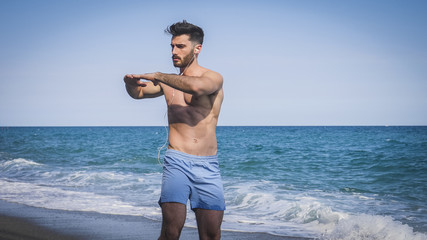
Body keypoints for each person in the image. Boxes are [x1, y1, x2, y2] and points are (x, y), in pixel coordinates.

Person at [123, 20, 225, 240]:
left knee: (211, 236)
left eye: (180, 46)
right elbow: (139, 94)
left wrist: (159, 75)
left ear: (197, 49)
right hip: (176, 160)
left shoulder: (213, 78)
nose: (174, 51)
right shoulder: (169, 82)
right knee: (171, 231)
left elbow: (198, 87)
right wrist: (129, 84)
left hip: (207, 165)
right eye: (172, 46)